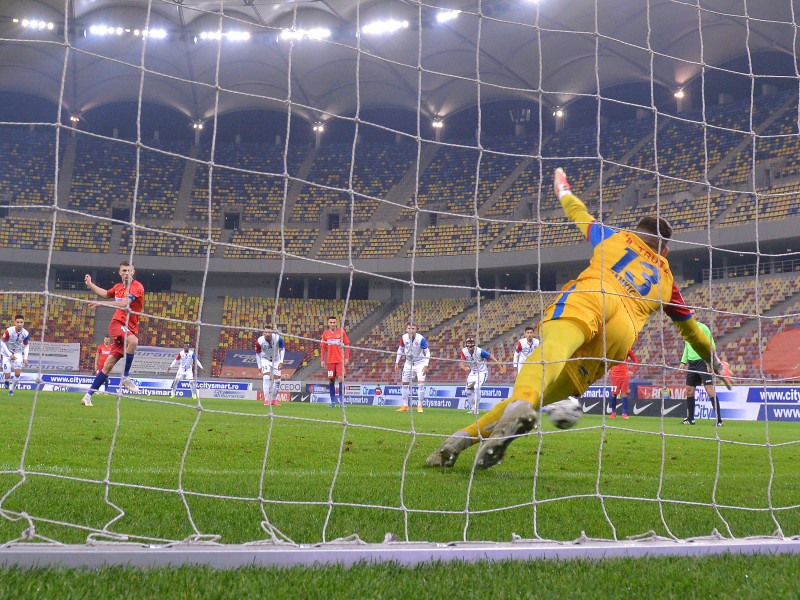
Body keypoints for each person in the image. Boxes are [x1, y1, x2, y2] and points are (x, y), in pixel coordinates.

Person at [426, 167, 731, 470]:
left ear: (638, 233)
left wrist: (563, 188)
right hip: (619, 337)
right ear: (664, 249)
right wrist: (716, 364)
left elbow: (578, 213)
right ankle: (457, 442)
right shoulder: (667, 281)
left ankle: (514, 411)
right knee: (536, 397)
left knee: (548, 356)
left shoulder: (615, 237)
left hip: (595, 295)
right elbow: (694, 333)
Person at [81, 261, 144, 407]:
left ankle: (88, 396)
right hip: (117, 324)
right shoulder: (117, 287)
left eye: (129, 270)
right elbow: (105, 294)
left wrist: (102, 304)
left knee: (108, 366)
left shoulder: (137, 287)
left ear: (133, 272)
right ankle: (126, 377)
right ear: (119, 272)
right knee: (133, 342)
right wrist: (90, 285)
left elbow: (124, 304)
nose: (126, 273)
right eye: (124, 270)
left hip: (129, 327)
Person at [679, 310, 723, 426]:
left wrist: (709, 361)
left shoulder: (703, 328)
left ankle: (719, 420)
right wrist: (683, 361)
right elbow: (686, 347)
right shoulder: (686, 329)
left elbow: (711, 345)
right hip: (692, 364)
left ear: (697, 315)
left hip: (703, 362)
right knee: (689, 391)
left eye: (693, 313)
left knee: (709, 390)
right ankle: (690, 419)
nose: (691, 315)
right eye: (689, 313)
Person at [460, 336, 505, 413]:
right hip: (473, 372)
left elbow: (492, 357)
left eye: (471, 343)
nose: (470, 345)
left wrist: (501, 368)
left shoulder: (480, 351)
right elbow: (462, 363)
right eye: (468, 343)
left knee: (477, 387)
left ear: (474, 344)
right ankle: (473, 407)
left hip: (481, 372)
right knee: (468, 391)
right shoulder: (464, 351)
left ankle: (476, 410)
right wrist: (464, 368)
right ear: (466, 344)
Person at [394, 324, 430, 413]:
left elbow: (427, 352)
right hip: (408, 363)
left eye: (413, 328)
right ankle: (405, 405)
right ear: (406, 329)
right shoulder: (404, 338)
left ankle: (420, 405)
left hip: (420, 363)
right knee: (404, 384)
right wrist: (397, 362)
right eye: (409, 328)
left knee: (421, 384)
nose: (411, 330)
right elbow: (400, 350)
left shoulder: (421, 339)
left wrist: (426, 365)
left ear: (416, 330)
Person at [321, 316, 349, 408]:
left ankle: (341, 402)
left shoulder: (341, 332)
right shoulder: (325, 334)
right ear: (328, 323)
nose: (332, 324)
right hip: (330, 361)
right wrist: (322, 360)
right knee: (331, 380)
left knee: (341, 379)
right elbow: (323, 347)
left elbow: (347, 344)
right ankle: (333, 401)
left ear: (336, 323)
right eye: (331, 322)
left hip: (340, 360)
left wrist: (346, 357)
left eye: (334, 322)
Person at [256, 326, 285, 406]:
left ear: (272, 333)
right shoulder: (259, 341)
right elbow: (257, 353)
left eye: (269, 332)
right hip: (265, 359)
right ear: (263, 333)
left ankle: (273, 400)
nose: (267, 334)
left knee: (277, 381)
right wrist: (259, 366)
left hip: (276, 360)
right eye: (266, 332)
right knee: (266, 377)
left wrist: (281, 362)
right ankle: (266, 400)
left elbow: (282, 349)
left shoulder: (278, 338)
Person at [2, 315, 30, 396]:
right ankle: (6, 381)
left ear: (23, 323)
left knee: (17, 373)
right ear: (15, 322)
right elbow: (2, 343)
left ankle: (11, 389)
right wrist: (9, 354)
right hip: (6, 353)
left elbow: (26, 345)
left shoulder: (26, 333)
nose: (19, 324)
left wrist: (25, 358)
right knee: (8, 375)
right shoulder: (9, 331)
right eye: (18, 322)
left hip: (17, 352)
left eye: (21, 322)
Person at [609, 349, 638, 419]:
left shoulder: (627, 349)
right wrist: (607, 370)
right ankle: (613, 412)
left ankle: (624, 413)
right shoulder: (613, 348)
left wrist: (632, 371)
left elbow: (635, 360)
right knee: (614, 394)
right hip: (614, 375)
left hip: (624, 375)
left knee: (624, 394)